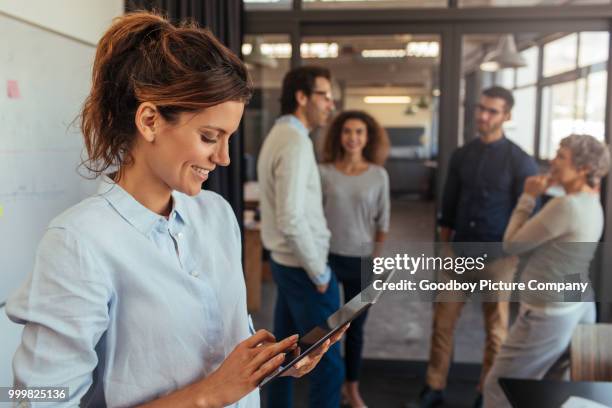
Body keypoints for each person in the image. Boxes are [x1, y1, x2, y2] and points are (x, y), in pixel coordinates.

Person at [5, 12, 345, 408]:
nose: (224, 158)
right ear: (150, 120)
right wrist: (210, 394)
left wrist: (266, 364)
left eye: (229, 139)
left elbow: (221, 350)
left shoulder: (216, 215)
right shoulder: (78, 243)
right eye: (209, 137)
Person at [419, 86, 539, 408]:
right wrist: (446, 248)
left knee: (496, 332)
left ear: (507, 116)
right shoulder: (462, 155)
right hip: (458, 254)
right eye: (481, 109)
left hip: (498, 259)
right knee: (442, 324)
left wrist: (514, 253)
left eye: (492, 111)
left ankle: (485, 394)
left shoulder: (520, 161)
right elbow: (449, 205)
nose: (483, 116)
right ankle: (434, 389)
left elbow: (528, 212)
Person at [483, 134, 610, 408]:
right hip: (578, 302)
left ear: (584, 169)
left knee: (498, 386)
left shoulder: (565, 206)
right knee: (552, 387)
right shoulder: (591, 201)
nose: (553, 161)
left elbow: (511, 244)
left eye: (561, 157)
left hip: (547, 312)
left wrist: (527, 197)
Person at [257, 66, 343, 408]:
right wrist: (319, 271)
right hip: (303, 269)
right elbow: (290, 218)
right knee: (328, 361)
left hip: (287, 264)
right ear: (302, 97)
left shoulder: (283, 136)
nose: (330, 105)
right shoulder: (293, 142)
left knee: (285, 357)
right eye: (324, 95)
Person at [319, 110, 390, 408]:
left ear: (367, 137)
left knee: (356, 331)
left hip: (362, 262)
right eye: (348, 131)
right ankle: (330, 387)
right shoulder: (324, 172)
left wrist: (373, 260)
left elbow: (382, 224)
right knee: (328, 328)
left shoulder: (378, 175)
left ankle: (352, 389)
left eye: (359, 132)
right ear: (339, 135)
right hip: (328, 261)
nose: (353, 137)